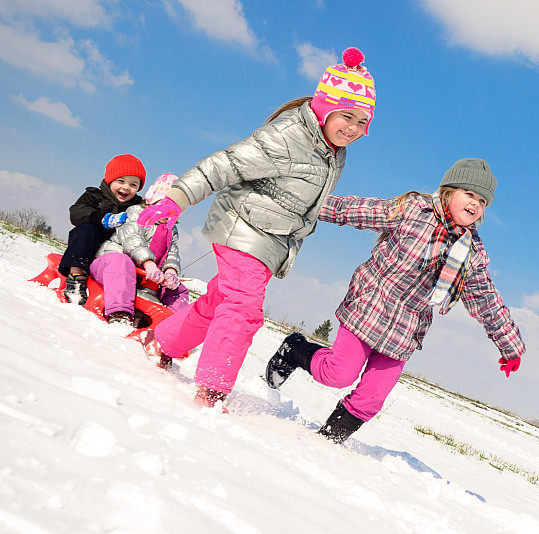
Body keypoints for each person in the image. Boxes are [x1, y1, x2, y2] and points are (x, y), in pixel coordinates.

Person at [137, 47, 377, 408]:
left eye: (363, 122)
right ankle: (212, 390)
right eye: (347, 116)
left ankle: (163, 340)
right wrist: (177, 197)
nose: (355, 129)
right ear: (326, 108)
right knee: (242, 308)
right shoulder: (288, 135)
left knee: (220, 300)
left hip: (272, 239)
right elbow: (225, 164)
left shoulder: (333, 150)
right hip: (243, 225)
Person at [265, 158, 525, 443]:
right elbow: (357, 211)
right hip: (371, 304)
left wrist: (509, 345)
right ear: (450, 191)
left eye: (483, 201)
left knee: (371, 398)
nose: (475, 204)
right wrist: (304, 204)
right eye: (470, 194)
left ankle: (326, 443)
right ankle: (293, 349)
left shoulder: (471, 252)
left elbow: (486, 298)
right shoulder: (414, 209)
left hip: (407, 327)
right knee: (339, 373)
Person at [90, 172, 190, 327]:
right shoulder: (137, 213)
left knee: (178, 290)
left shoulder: (171, 229)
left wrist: (171, 270)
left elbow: (172, 252)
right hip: (112, 265)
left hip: (143, 276)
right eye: (163, 205)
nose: (167, 213)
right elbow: (132, 239)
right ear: (152, 200)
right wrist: (149, 262)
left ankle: (171, 325)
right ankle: (119, 313)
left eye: (173, 210)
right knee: (122, 262)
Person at [59, 154, 145, 305]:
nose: (126, 187)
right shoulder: (94, 196)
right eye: (121, 181)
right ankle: (76, 277)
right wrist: (101, 218)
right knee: (85, 230)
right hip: (87, 248)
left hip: (112, 255)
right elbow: (76, 212)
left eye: (133, 185)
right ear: (110, 180)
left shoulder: (136, 207)